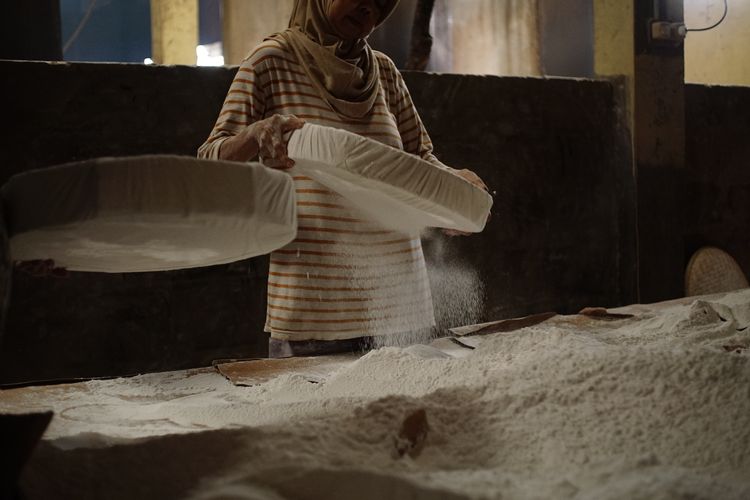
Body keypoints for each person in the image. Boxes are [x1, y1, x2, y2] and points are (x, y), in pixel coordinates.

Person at [198, 0, 487, 357]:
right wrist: (256, 135)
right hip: (316, 316)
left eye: (381, 4)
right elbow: (210, 161)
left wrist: (456, 187)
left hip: (400, 309)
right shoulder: (270, 61)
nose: (369, 8)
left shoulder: (384, 72)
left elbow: (420, 161)